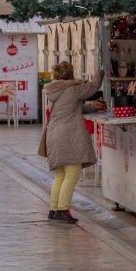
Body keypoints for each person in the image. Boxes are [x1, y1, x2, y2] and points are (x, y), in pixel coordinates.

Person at [42, 62, 104, 223]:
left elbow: (70, 107)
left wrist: (91, 108)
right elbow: (94, 86)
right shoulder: (72, 89)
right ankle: (63, 209)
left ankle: (54, 209)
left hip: (54, 135)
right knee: (72, 174)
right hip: (68, 136)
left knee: (60, 175)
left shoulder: (54, 90)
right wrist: (102, 69)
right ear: (70, 74)